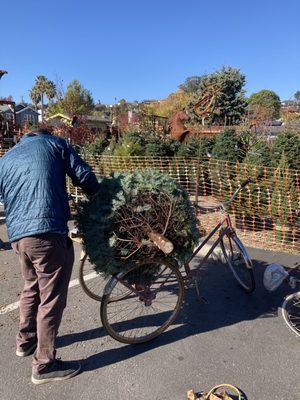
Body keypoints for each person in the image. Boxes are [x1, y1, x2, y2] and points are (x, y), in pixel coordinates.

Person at [0, 128, 100, 385]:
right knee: (51, 299)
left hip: (19, 238)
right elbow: (84, 176)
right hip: (47, 234)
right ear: (44, 134)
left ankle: (25, 341)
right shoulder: (55, 144)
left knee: (31, 286)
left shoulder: (7, 158)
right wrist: (100, 197)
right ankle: (44, 365)